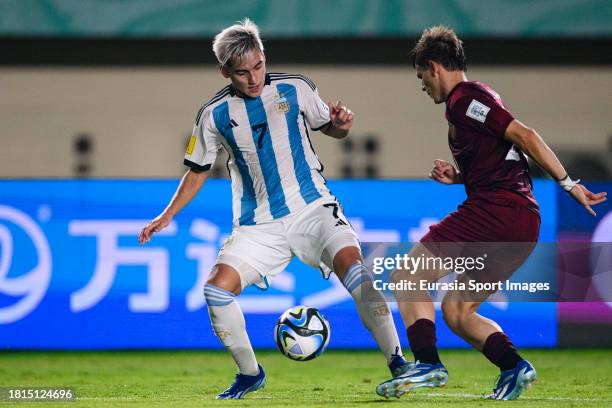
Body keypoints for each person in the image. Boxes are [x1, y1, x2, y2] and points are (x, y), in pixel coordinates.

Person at [139, 19, 410, 400]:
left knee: (356, 270)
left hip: (313, 207)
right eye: (241, 72)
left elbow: (328, 127)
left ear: (263, 57)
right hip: (257, 225)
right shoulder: (213, 116)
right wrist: (166, 216)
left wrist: (342, 126)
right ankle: (250, 374)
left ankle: (399, 363)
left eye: (257, 67)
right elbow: (197, 170)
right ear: (224, 72)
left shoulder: (296, 88)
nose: (253, 78)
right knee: (216, 292)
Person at [376, 26, 607, 400]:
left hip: (498, 210)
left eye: (421, 77)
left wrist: (568, 183)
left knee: (408, 273)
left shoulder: (464, 100)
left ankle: (427, 363)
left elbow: (526, 136)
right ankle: (514, 367)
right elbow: (503, 157)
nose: (423, 87)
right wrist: (460, 177)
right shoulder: (478, 99)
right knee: (457, 310)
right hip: (520, 222)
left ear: (434, 67)